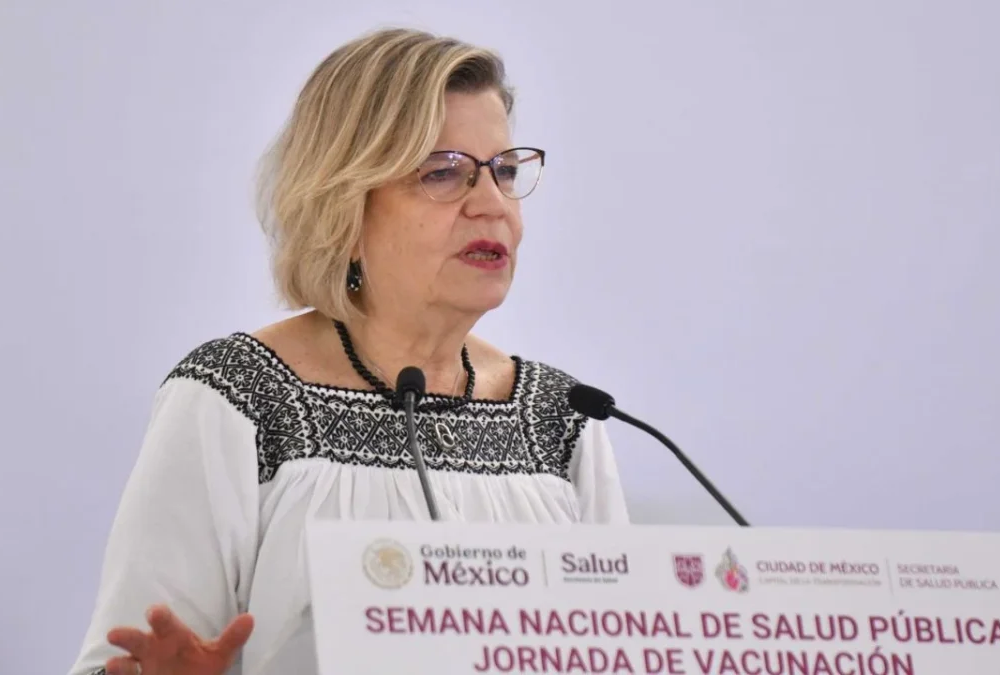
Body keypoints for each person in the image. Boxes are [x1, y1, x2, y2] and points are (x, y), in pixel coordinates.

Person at [68, 27, 630, 675]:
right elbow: (121, 661)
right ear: (345, 206)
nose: (492, 204)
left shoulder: (564, 416)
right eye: (443, 172)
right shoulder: (237, 396)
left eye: (504, 171)